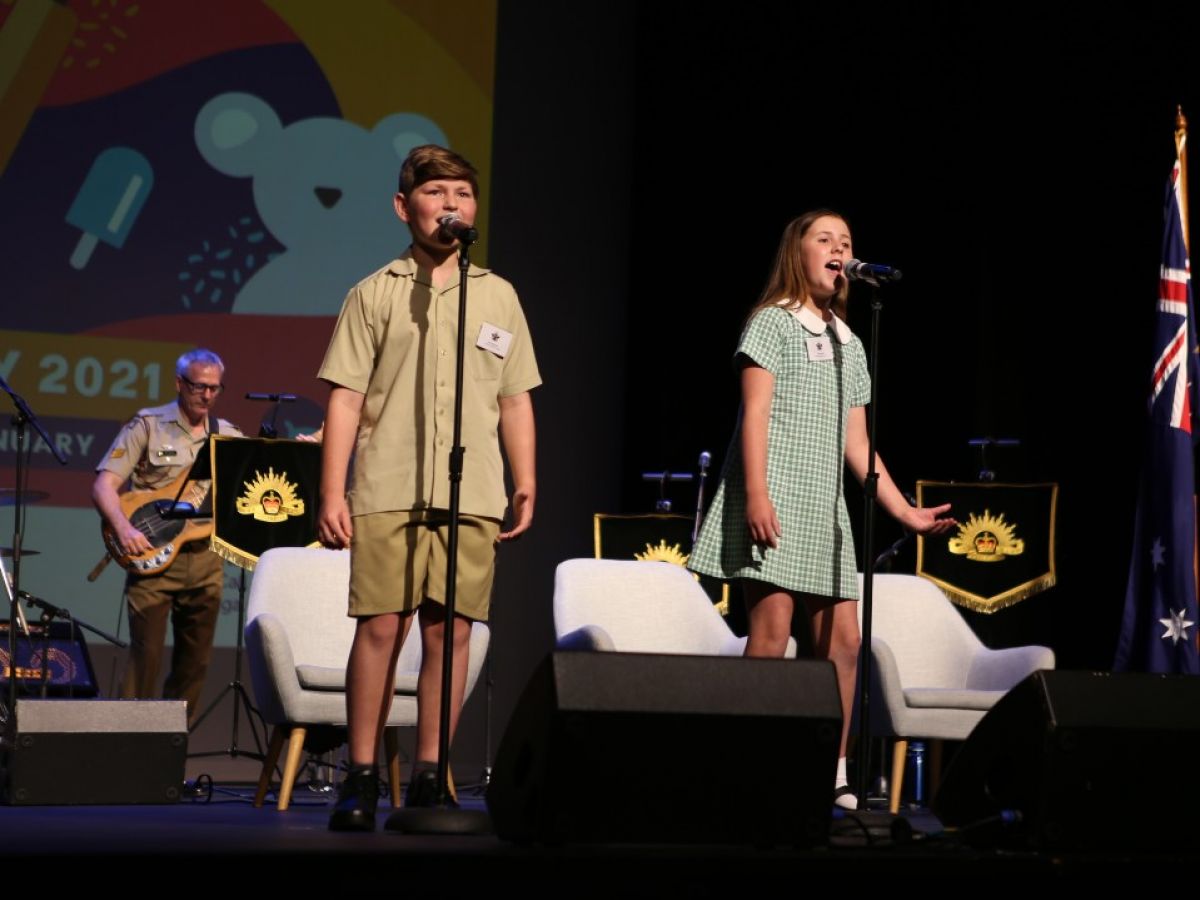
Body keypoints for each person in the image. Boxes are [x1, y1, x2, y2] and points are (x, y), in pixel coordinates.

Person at [687, 210, 955, 810]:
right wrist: (756, 493)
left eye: (848, 242)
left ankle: (828, 771)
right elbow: (753, 413)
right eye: (825, 240)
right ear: (798, 252)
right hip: (775, 494)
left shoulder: (850, 341)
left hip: (825, 509)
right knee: (772, 634)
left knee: (843, 644)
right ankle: (747, 764)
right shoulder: (772, 322)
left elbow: (857, 445)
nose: (839, 249)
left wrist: (904, 512)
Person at [319, 144, 540, 831]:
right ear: (403, 205)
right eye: (437, 192)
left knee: (452, 632)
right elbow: (346, 399)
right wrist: (332, 491)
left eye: (463, 195)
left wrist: (525, 478)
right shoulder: (375, 292)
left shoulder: (497, 294)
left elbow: (514, 399)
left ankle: (431, 773)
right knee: (383, 625)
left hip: (472, 490)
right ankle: (360, 775)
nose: (452, 205)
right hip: (388, 483)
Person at [92, 348, 241, 726]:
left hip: (206, 559)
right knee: (146, 657)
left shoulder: (226, 435)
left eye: (214, 388)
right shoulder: (148, 424)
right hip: (152, 557)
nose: (207, 395)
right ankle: (129, 749)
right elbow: (105, 485)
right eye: (199, 387)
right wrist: (124, 529)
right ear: (179, 383)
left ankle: (171, 753)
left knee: (195, 664)